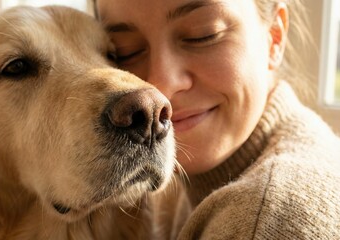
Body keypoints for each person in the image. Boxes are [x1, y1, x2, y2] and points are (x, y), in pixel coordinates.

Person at [92, 0, 340, 239]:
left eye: (202, 35)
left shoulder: (267, 219)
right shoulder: (173, 185)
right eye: (125, 51)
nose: (161, 87)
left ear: (274, 36)